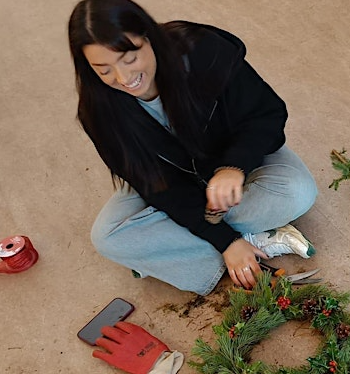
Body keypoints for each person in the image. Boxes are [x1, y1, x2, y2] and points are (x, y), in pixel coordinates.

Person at [68, 0, 318, 295]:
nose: (123, 79)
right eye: (104, 70)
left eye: (129, 58)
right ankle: (251, 240)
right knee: (107, 238)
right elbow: (159, 188)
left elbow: (267, 114)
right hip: (168, 178)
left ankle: (174, 252)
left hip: (238, 158)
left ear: (148, 37)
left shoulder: (202, 52)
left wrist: (234, 166)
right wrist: (225, 240)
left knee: (298, 191)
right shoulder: (98, 112)